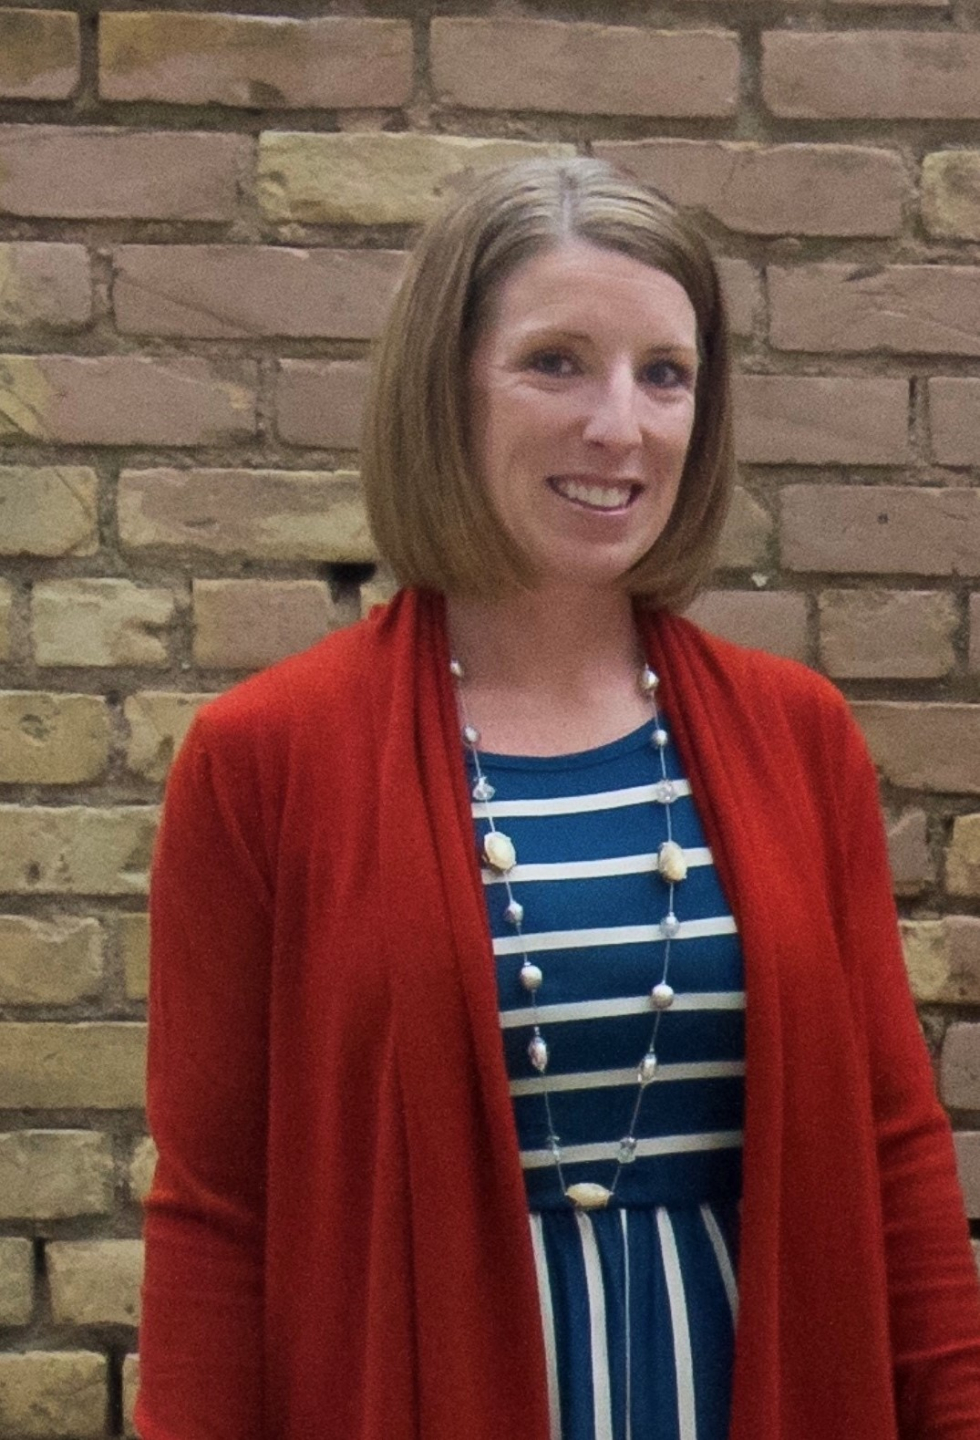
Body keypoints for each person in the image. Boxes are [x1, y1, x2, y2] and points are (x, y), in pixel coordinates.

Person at [136, 158, 980, 1440]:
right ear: (446, 388)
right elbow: (215, 1217)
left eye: (663, 374)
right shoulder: (263, 761)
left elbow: (894, 1153)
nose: (618, 427)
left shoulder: (793, 738)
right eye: (556, 363)